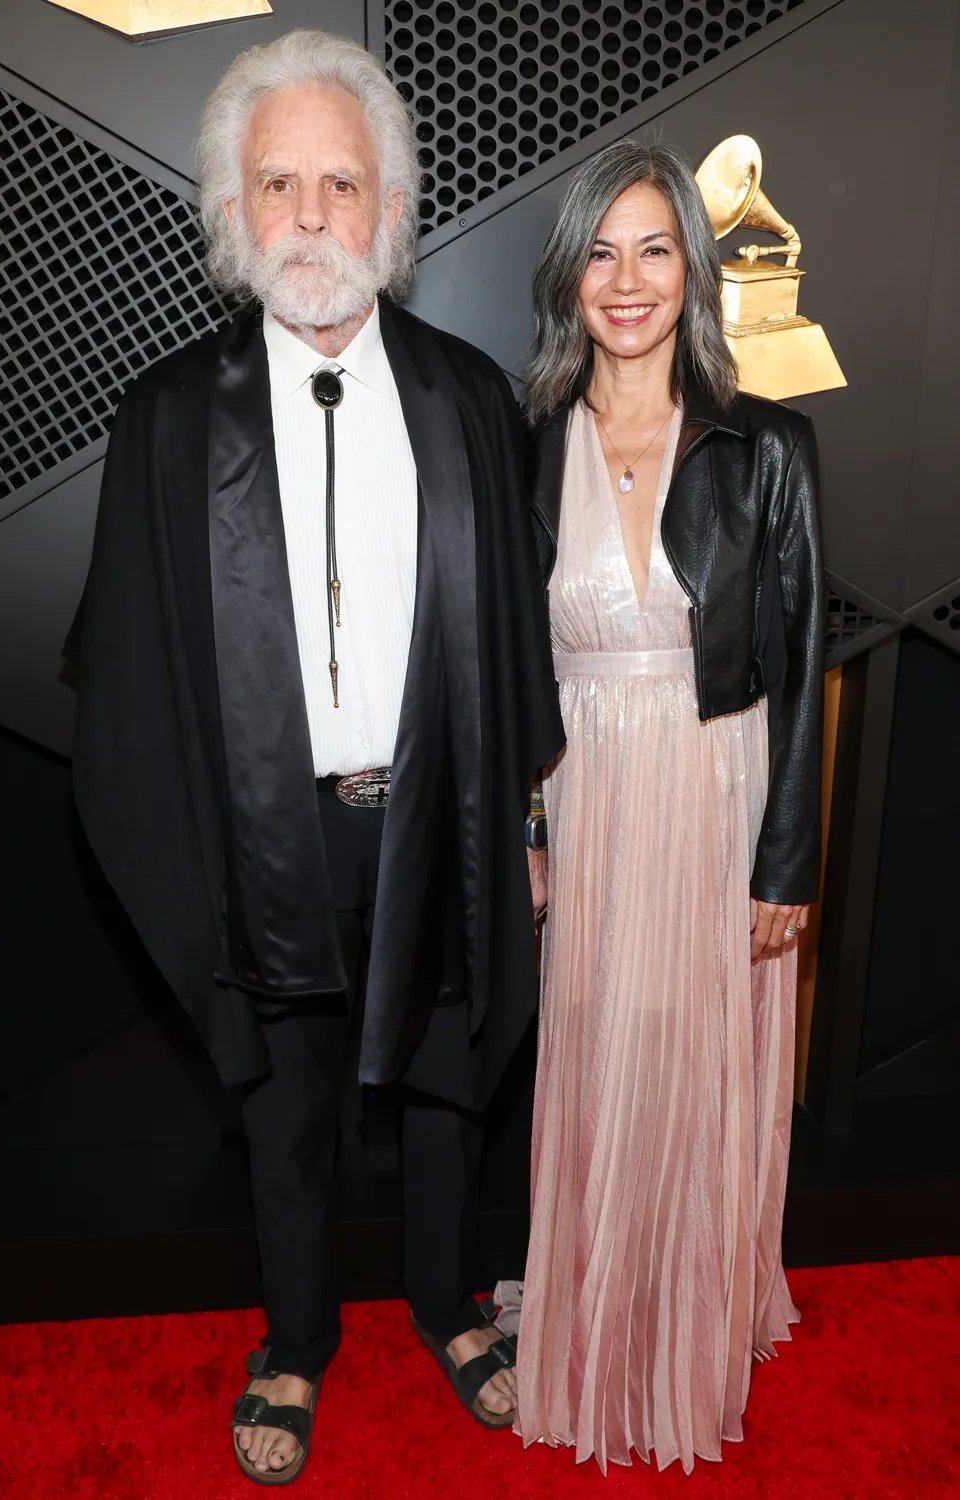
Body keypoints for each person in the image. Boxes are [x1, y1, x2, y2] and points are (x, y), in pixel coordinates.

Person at [67, 30, 563, 1484]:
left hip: (442, 815)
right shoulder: (165, 421)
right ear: (230, 206)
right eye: (276, 181)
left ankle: (449, 1303)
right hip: (262, 830)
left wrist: (527, 818)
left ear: (390, 212)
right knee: (282, 1099)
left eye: (340, 184)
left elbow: (518, 645)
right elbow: (129, 671)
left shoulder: (469, 398)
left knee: (450, 1073)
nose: (308, 216)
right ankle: (294, 1337)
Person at [515, 138, 824, 1473]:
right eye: (603, 250)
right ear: (570, 274)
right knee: (599, 1059)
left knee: (696, 1071)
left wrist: (788, 863)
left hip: (715, 785)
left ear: (691, 272)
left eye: (654, 250)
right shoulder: (524, 446)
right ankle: (598, 1311)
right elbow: (501, 664)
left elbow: (804, 662)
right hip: (583, 797)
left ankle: (686, 1323)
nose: (627, 280)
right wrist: (526, 827)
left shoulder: (771, 446)